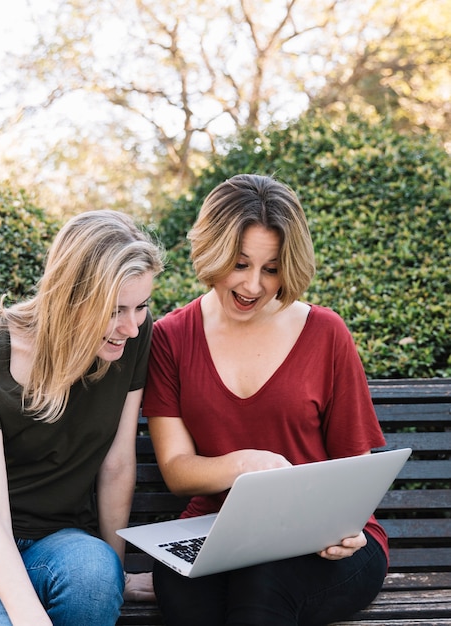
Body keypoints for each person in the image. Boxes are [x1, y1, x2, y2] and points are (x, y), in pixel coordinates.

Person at [142, 174, 388, 625]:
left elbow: (356, 467)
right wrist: (243, 465)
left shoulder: (326, 334)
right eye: (239, 263)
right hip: (211, 531)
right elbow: (177, 469)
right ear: (212, 251)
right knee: (187, 592)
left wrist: (345, 530)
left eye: (271, 269)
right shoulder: (170, 339)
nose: (253, 285)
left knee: (263, 586)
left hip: (325, 537)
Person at [0, 209, 163, 626]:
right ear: (72, 296)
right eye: (115, 310)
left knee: (95, 583)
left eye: (142, 306)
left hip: (58, 540)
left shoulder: (131, 339)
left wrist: (114, 574)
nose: (131, 327)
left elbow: (116, 465)